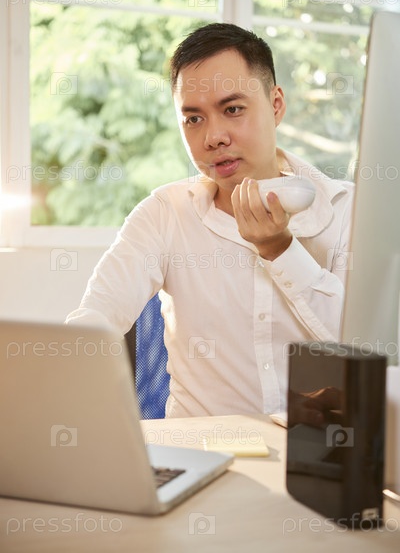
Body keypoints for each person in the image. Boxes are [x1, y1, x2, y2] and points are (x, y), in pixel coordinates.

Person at [66, 23, 354, 418]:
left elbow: (363, 348)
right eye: (193, 119)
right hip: (198, 448)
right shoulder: (164, 214)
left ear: (275, 105)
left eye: (232, 109)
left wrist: (280, 249)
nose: (213, 137)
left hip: (314, 449)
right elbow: (95, 320)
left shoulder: (346, 210)